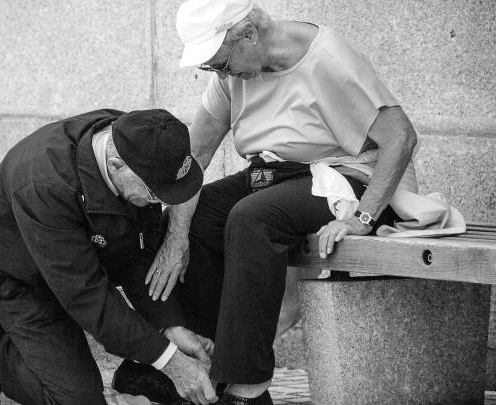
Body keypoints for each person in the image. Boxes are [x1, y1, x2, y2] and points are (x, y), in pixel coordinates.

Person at [143, 1, 419, 404]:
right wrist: (176, 235)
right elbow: (195, 158)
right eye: (212, 67)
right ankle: (203, 362)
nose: (220, 73)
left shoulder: (326, 58)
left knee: (253, 218)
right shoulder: (232, 72)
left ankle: (249, 389)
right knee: (196, 215)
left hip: (352, 180)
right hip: (276, 175)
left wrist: (362, 217)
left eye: (220, 63)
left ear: (248, 35)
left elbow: (401, 138)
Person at [0, 108, 219, 405]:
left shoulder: (141, 140)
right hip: (20, 282)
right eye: (155, 194)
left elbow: (138, 251)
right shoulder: (43, 183)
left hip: (85, 264)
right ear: (116, 166)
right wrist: (171, 361)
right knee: (80, 401)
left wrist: (169, 325)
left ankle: (135, 375)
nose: (160, 203)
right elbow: (88, 297)